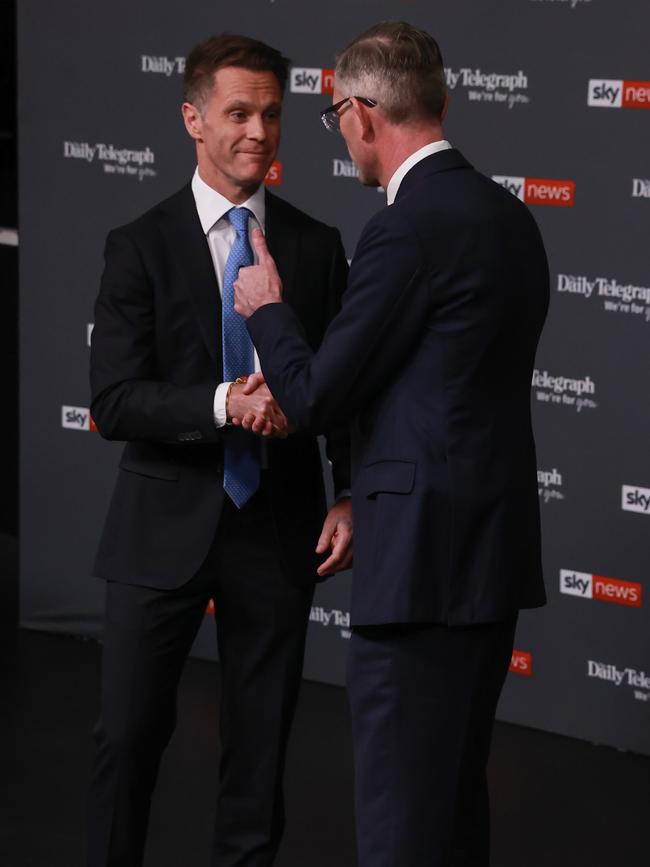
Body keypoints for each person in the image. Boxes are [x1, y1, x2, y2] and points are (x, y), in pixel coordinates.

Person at [234, 20, 549, 867]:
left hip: (419, 574)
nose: (339, 131)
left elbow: (312, 394)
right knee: (452, 810)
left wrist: (266, 305)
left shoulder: (405, 228)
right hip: (487, 559)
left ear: (365, 112)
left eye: (337, 111)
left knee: (403, 827)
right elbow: (433, 392)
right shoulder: (511, 216)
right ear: (440, 103)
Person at [87, 33, 352, 867]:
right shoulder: (139, 243)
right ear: (193, 118)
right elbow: (115, 399)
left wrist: (348, 491)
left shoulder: (316, 245)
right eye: (239, 112)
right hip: (160, 525)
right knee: (127, 738)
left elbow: (341, 392)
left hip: (277, 528)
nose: (258, 131)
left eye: (272, 114)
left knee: (260, 749)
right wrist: (221, 404)